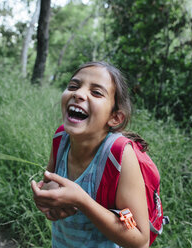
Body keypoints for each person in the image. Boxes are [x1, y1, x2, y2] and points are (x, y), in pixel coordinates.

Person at [31, 61, 150, 248]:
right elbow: (51, 184)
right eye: (73, 86)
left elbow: (140, 239)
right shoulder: (61, 138)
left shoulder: (120, 156)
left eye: (96, 92)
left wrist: (81, 200)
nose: (78, 94)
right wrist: (48, 201)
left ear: (115, 117)